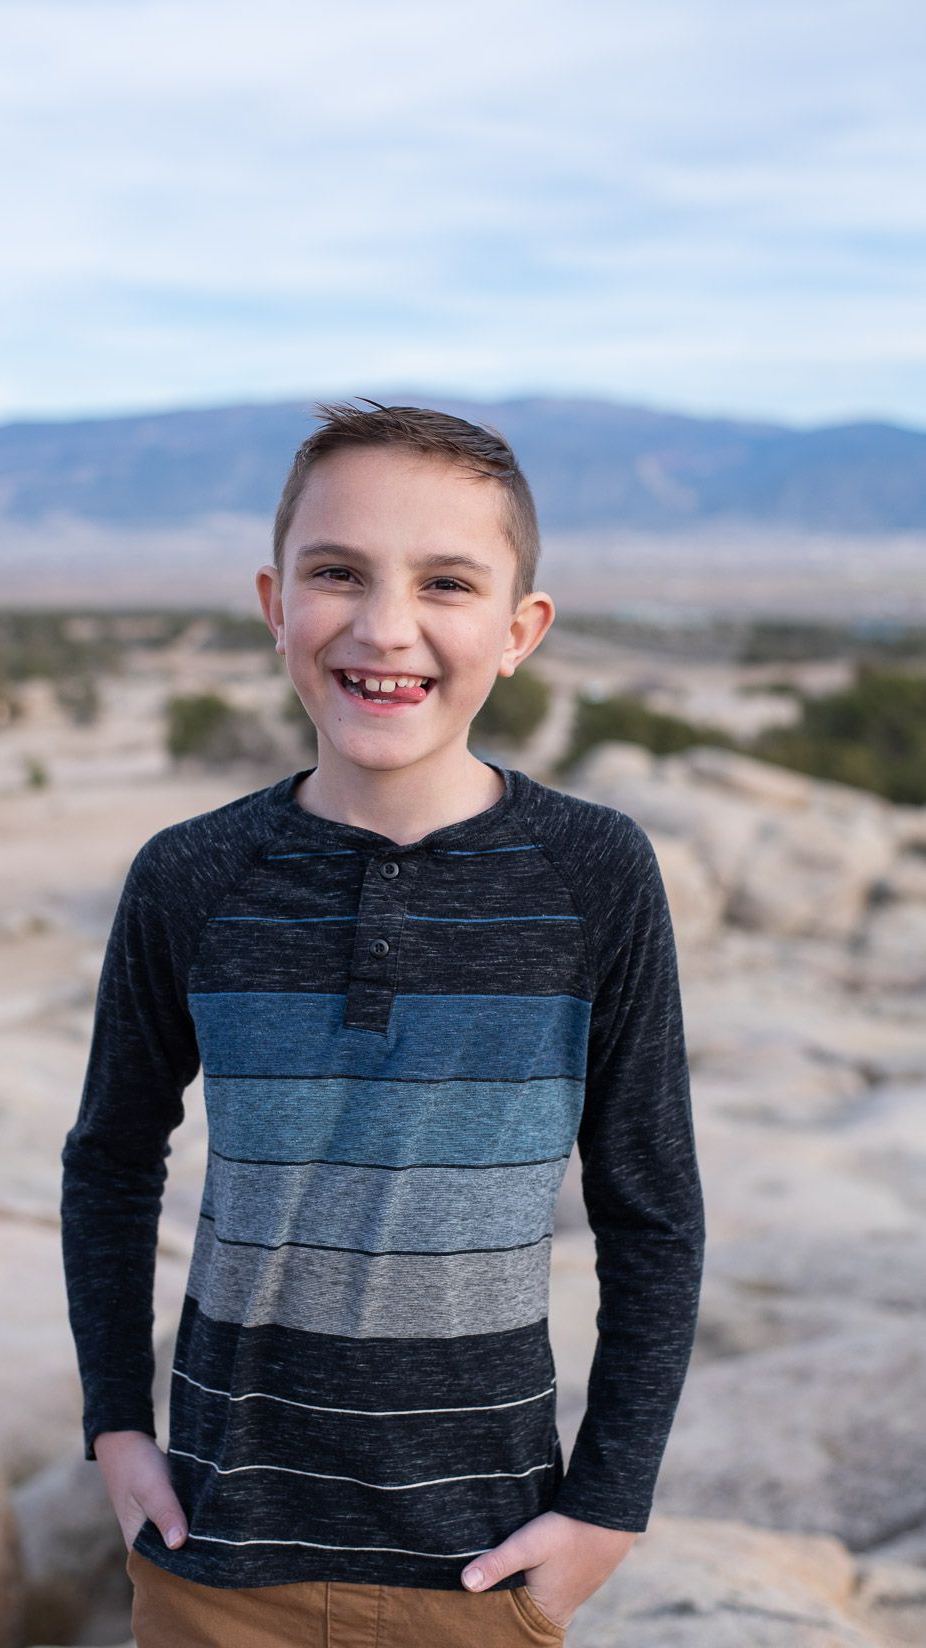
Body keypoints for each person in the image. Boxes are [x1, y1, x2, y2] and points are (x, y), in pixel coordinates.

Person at [60, 398, 706, 1647]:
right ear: (274, 603)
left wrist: (606, 1506)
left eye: (445, 582)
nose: (383, 626)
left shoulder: (593, 874)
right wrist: (115, 1422)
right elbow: (111, 1158)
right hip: (214, 1559)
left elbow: (651, 1205)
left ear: (519, 630)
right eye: (337, 573)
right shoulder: (191, 875)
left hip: (475, 1566)